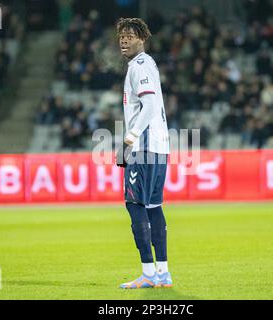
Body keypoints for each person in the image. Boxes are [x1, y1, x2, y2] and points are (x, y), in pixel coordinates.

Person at [115, 18, 172, 288]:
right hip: (159, 147)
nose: (124, 40)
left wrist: (129, 138)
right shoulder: (148, 64)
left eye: (129, 35)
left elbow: (148, 106)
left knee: (134, 204)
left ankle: (148, 273)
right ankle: (163, 272)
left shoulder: (139, 66)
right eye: (121, 36)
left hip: (144, 147)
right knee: (153, 206)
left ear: (142, 38)